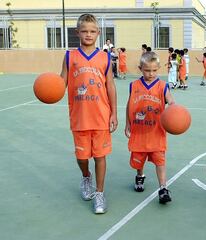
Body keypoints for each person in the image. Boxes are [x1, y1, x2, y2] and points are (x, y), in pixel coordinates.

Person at [60, 14, 118, 214]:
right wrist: (49, 89)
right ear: (77, 33)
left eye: (92, 31)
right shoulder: (70, 56)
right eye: (84, 31)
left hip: (101, 115)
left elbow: (110, 86)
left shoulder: (105, 57)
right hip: (79, 117)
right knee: (82, 157)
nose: (88, 34)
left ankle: (100, 193)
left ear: (98, 33)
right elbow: (61, 83)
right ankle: (86, 177)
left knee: (100, 156)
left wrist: (114, 114)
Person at [124, 51, 175, 204]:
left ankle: (163, 188)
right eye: (147, 70)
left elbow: (171, 101)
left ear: (158, 68)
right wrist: (128, 123)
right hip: (139, 132)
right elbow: (129, 105)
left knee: (160, 160)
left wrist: (174, 109)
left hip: (156, 132)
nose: (151, 73)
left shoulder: (162, 86)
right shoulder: (134, 86)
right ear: (140, 68)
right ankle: (140, 176)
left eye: (154, 70)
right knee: (139, 161)